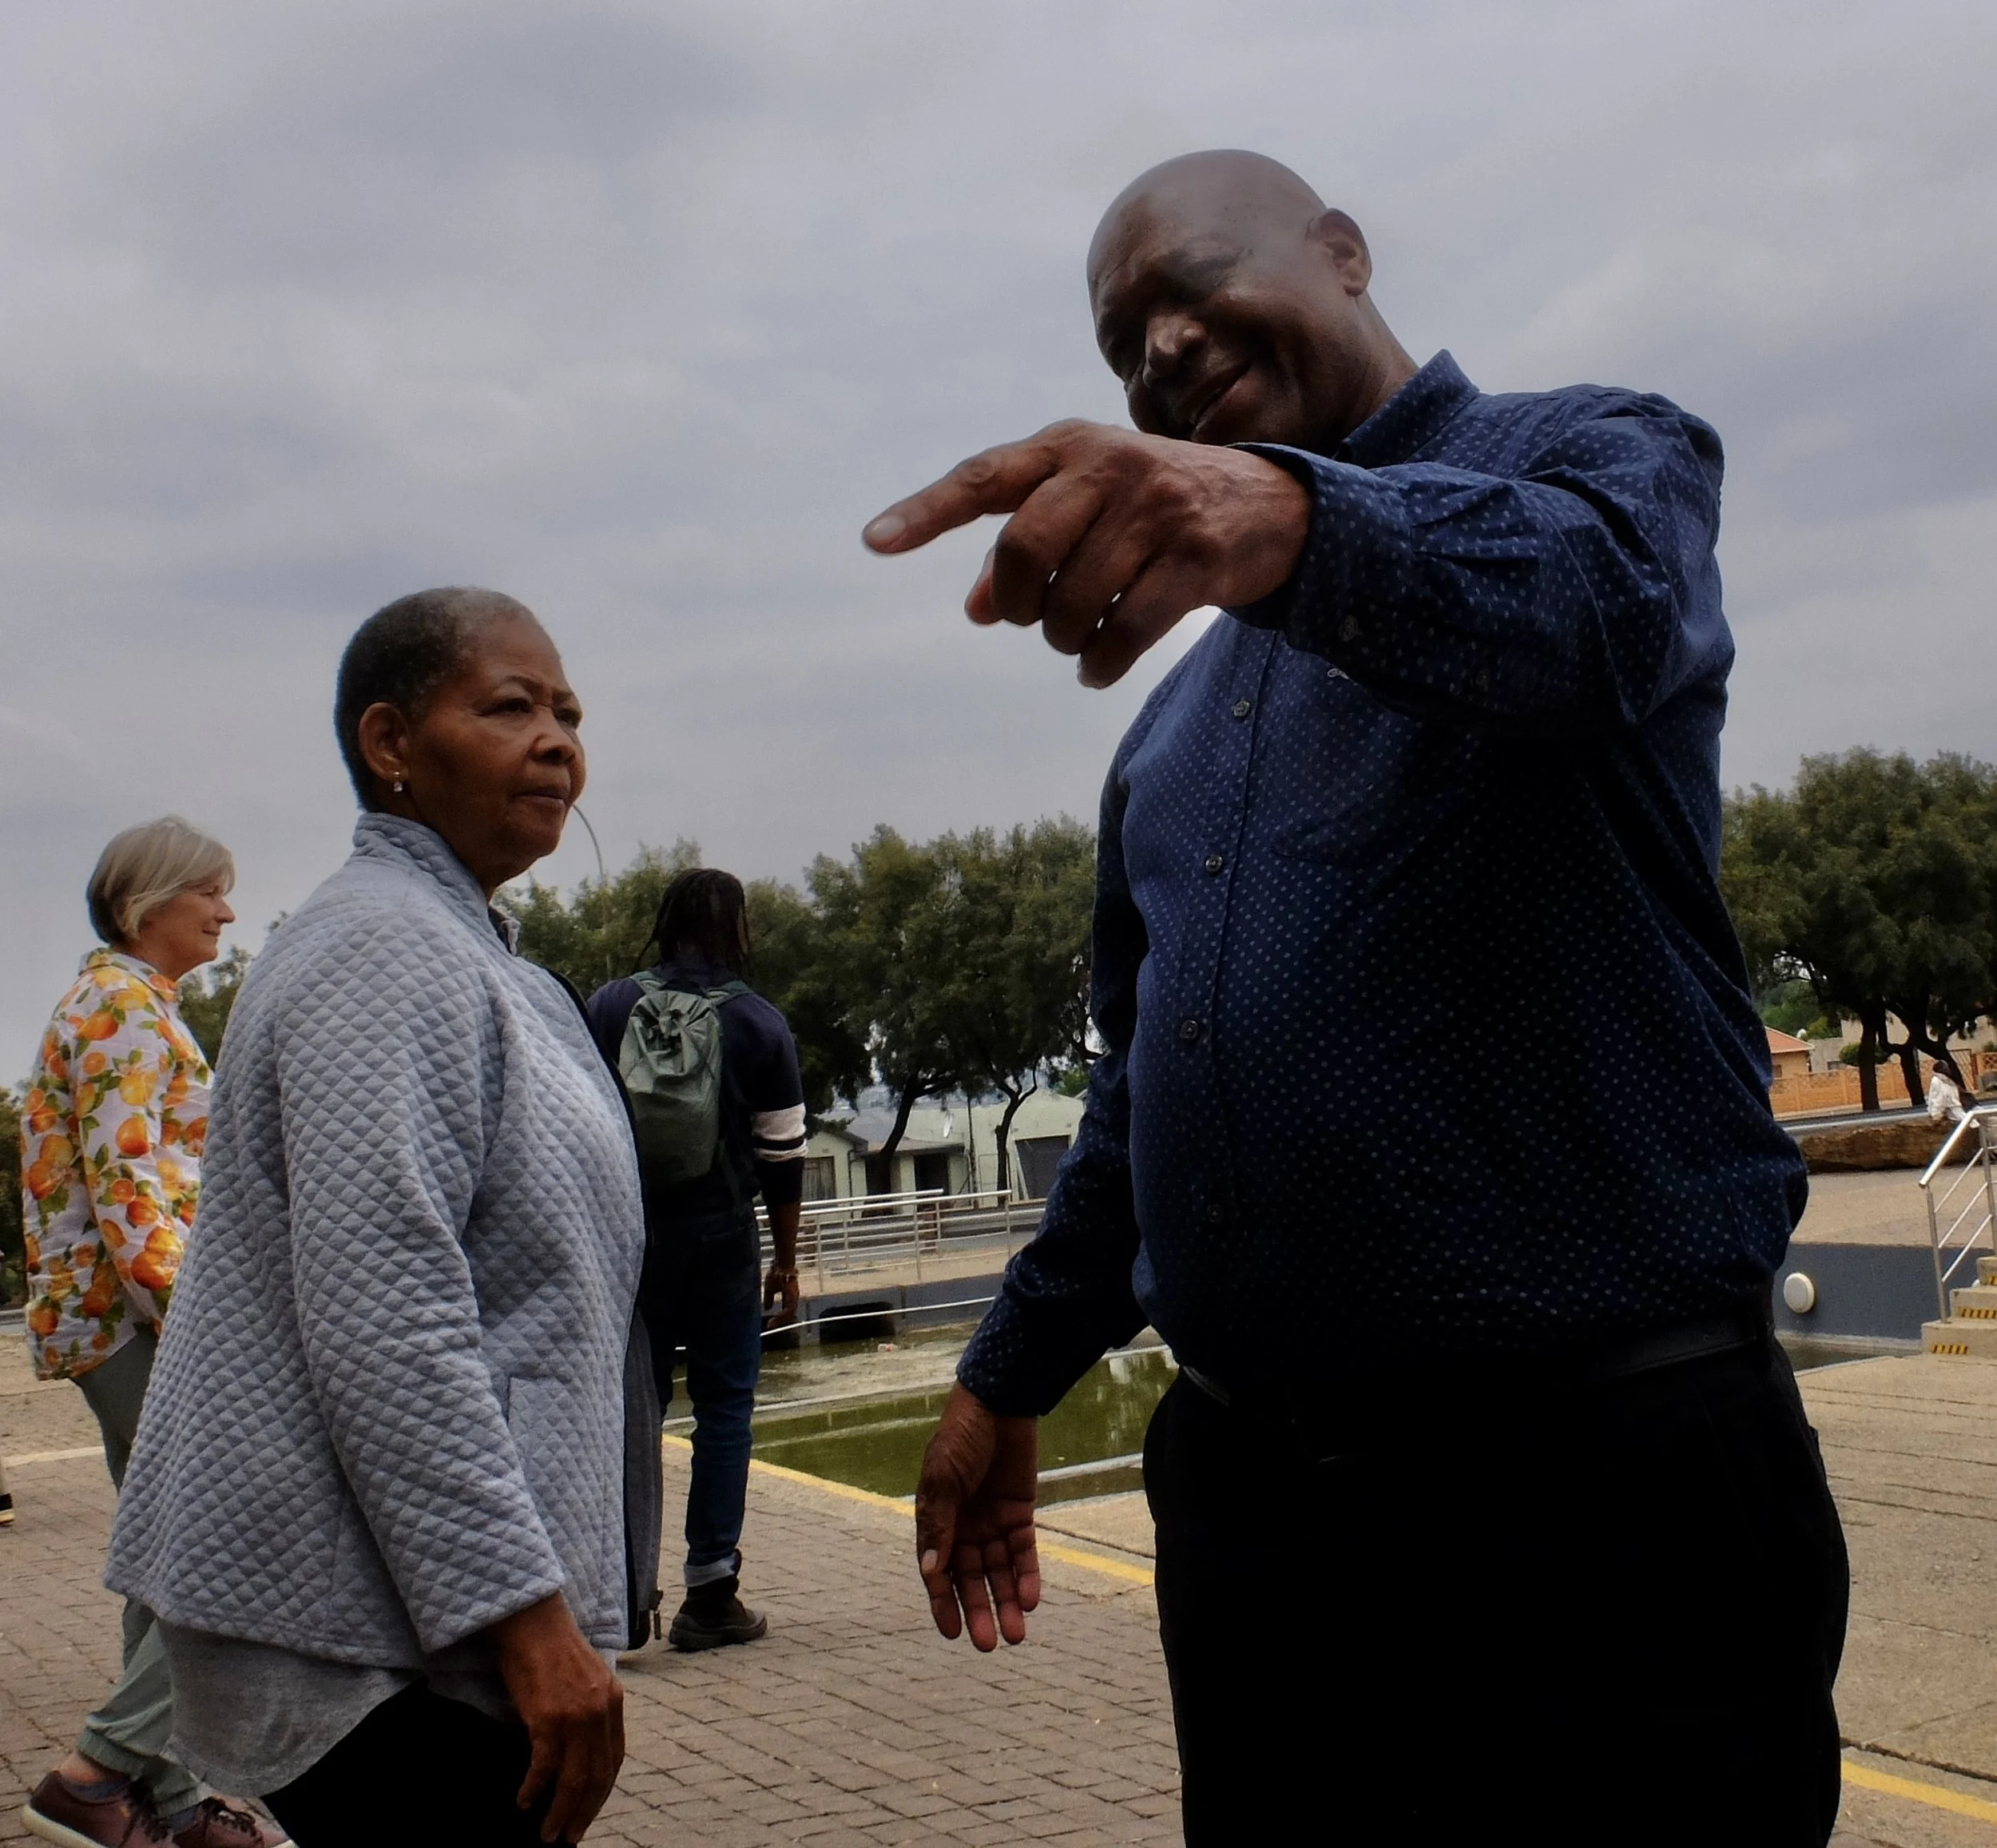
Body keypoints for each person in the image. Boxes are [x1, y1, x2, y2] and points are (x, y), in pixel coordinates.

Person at [866, 151, 1848, 1846]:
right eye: (1121, 344)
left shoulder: (1595, 462)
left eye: (1187, 289)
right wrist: (1005, 1367)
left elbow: (1601, 609)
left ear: (1339, 252)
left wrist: (1292, 517)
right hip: (1263, 1522)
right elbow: (1146, 1085)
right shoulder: (1169, 740)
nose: (1157, 352)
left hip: (1597, 1495)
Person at [104, 589, 652, 1848]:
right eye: (509, 705)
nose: (560, 739)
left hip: (411, 1608)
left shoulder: (466, 951)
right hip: (379, 1633)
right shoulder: (380, 950)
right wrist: (529, 1619)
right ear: (391, 742)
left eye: (569, 712)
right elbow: (387, 1313)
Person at [18, 817, 283, 1848]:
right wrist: (208, 1331)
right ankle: (98, 1773)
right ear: (149, 904)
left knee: (170, 1553)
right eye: (211, 891)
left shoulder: (119, 1001)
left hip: (106, 1323)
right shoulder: (127, 1008)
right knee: (242, 1541)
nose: (227, 909)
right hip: (142, 1324)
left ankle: (169, 1804)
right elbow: (136, 1197)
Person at [585, 868, 808, 1650]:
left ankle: (620, 1594)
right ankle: (709, 1591)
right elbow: (782, 1154)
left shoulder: (609, 1006)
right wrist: (786, 1260)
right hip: (721, 1235)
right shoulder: (757, 1023)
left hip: (629, 1237)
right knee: (723, 1411)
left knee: (630, 1411)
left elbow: (575, 1124)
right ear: (737, 928)